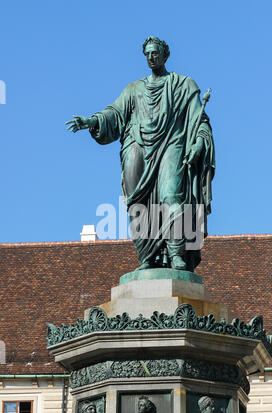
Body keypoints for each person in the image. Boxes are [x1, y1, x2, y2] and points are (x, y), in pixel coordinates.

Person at [66, 36, 215, 272]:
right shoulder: (134, 89)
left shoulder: (183, 85)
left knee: (171, 197)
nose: (150, 57)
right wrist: (92, 121)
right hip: (138, 146)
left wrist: (198, 143)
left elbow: (200, 121)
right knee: (137, 202)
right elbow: (114, 114)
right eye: (147, 54)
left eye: (155, 53)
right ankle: (148, 256)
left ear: (165, 55)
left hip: (172, 145)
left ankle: (176, 254)